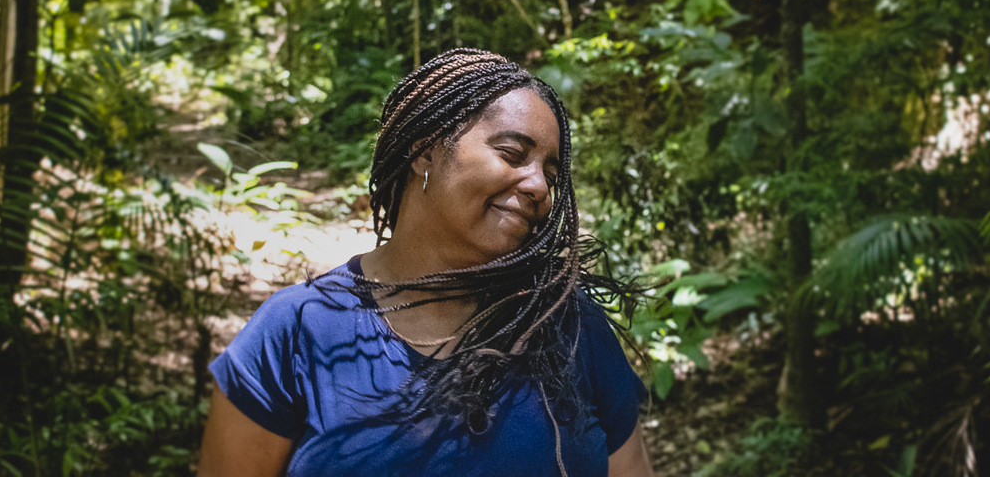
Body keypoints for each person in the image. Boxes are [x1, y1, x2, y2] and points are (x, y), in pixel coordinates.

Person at [198, 48, 655, 476]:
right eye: (512, 154)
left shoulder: (570, 326)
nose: (538, 186)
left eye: (550, 175)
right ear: (425, 151)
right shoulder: (297, 330)